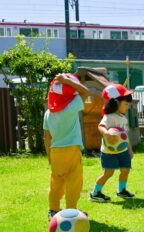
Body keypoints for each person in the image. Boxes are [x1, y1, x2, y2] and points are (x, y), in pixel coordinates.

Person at [43, 73, 89, 220]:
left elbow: (47, 138)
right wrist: (67, 80)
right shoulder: (72, 105)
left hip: (55, 152)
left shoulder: (48, 113)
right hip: (72, 151)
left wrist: (49, 157)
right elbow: (85, 91)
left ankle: (53, 210)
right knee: (73, 181)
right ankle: (71, 211)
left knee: (56, 182)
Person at [90, 84, 135, 201]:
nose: (127, 107)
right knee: (108, 173)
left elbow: (125, 136)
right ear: (116, 103)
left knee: (126, 170)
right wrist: (106, 133)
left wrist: (130, 149)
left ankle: (121, 191)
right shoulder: (109, 117)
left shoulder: (123, 118)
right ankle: (95, 193)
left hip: (123, 150)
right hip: (109, 151)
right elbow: (101, 126)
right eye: (125, 104)